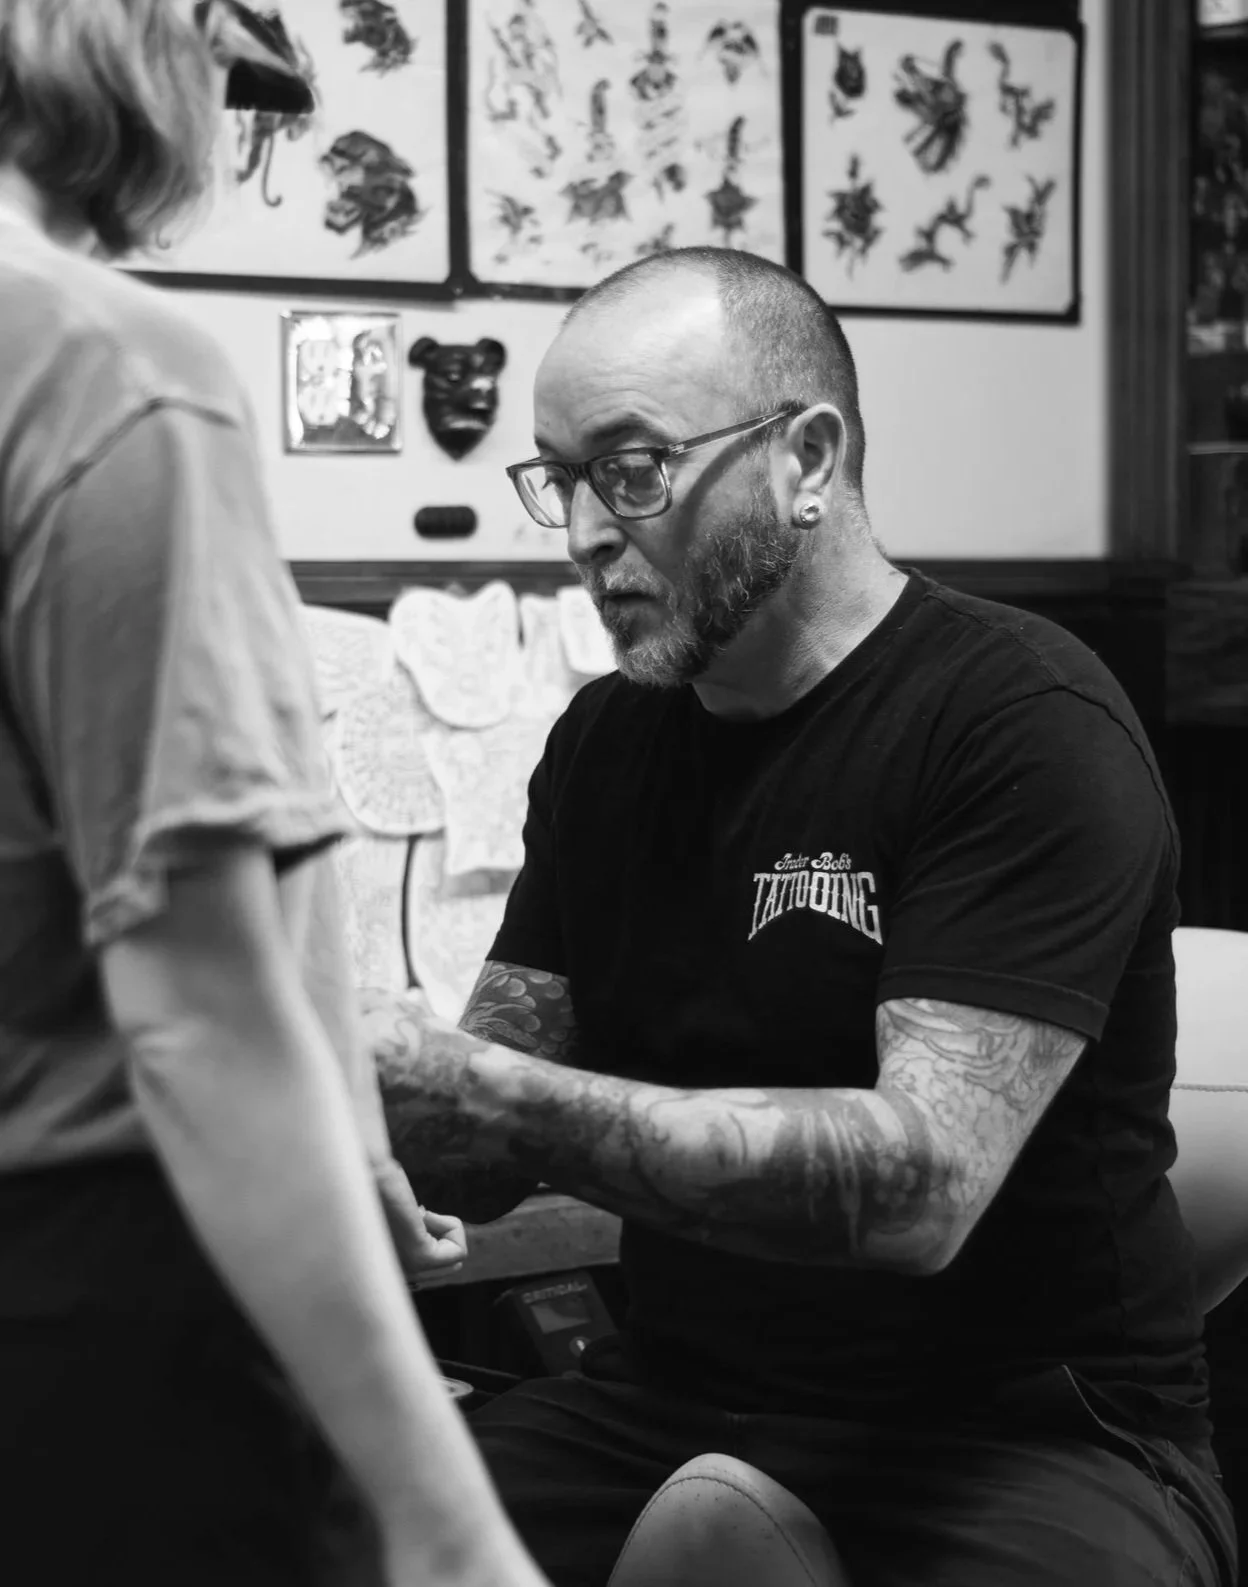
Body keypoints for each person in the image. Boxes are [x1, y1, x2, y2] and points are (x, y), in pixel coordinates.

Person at [365, 245, 1239, 1587]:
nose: (592, 525)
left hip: (1028, 1438)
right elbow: (478, 1130)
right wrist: (345, 1085)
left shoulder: (1017, 720)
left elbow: (915, 1192)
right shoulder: (606, 744)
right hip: (670, 1400)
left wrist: (497, 1100)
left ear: (808, 457)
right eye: (562, 476)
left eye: (637, 466)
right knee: (307, 1514)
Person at [0, 5, 549, 1585]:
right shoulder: (108, 373)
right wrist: (448, 1528)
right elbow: (200, 1011)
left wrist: (357, 1138)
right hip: (99, 1316)